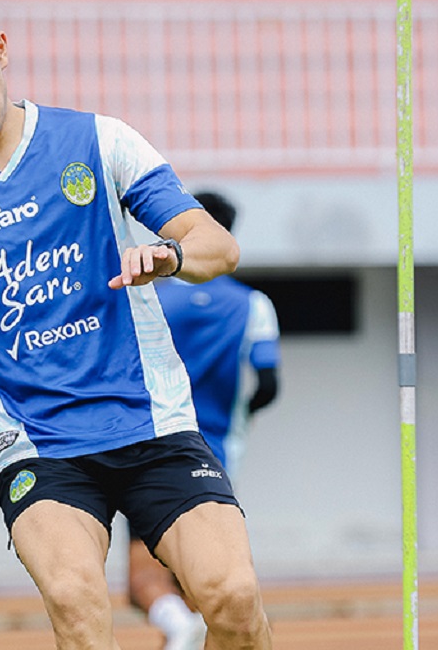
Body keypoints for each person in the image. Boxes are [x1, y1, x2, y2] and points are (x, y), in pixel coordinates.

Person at [0, 0, 272, 649]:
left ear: (0, 49)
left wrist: (169, 257)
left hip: (154, 422)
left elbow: (218, 246)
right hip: (36, 443)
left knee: (232, 597)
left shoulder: (100, 140)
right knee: (77, 601)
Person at [127, 191, 282, 650]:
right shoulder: (253, 304)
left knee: (145, 580)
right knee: (206, 579)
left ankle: (177, 629)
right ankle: (186, 631)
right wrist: (239, 418)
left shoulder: (152, 296)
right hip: (217, 450)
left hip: (151, 444)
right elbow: (270, 385)